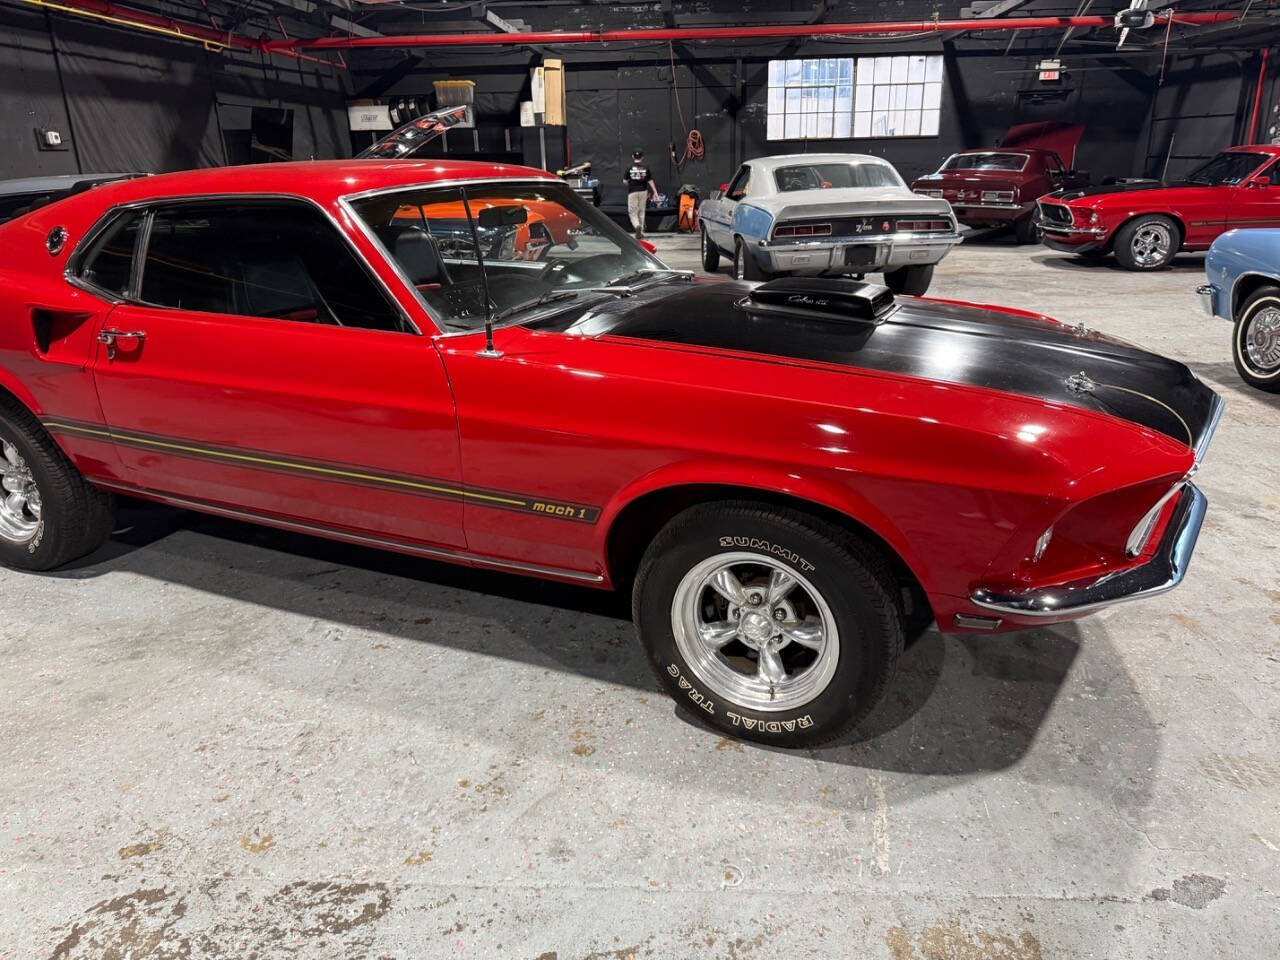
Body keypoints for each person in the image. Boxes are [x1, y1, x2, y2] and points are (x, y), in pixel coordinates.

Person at [623, 149, 658, 239]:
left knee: (632, 212)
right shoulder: (646, 166)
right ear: (642, 157)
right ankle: (641, 231)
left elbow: (625, 181)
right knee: (642, 211)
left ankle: (637, 226)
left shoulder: (629, 167)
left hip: (633, 192)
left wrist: (629, 181)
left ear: (633, 157)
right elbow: (650, 180)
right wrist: (655, 191)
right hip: (643, 191)